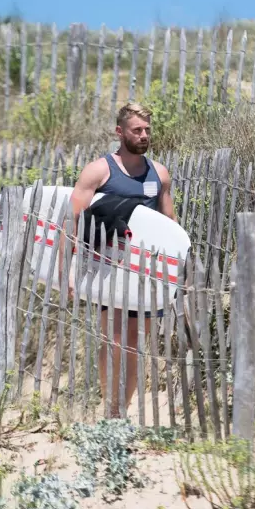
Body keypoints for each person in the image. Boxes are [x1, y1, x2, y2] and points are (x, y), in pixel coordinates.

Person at [67, 103, 176, 418]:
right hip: (108, 267)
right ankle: (110, 406)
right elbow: (72, 219)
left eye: (147, 130)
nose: (143, 136)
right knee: (113, 339)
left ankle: (121, 412)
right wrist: (69, 270)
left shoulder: (159, 173)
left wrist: (175, 273)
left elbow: (170, 224)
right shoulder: (99, 171)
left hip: (145, 271)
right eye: (136, 130)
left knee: (133, 343)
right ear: (119, 132)